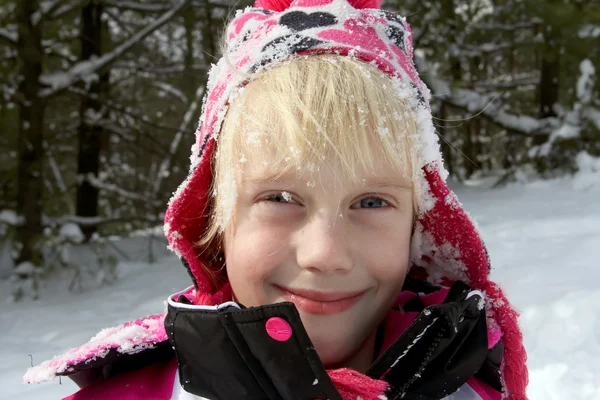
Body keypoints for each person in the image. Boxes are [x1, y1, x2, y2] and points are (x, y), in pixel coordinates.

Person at [24, 0, 529, 398]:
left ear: (419, 227)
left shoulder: (470, 387)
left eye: (371, 202)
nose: (325, 255)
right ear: (217, 220)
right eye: (281, 197)